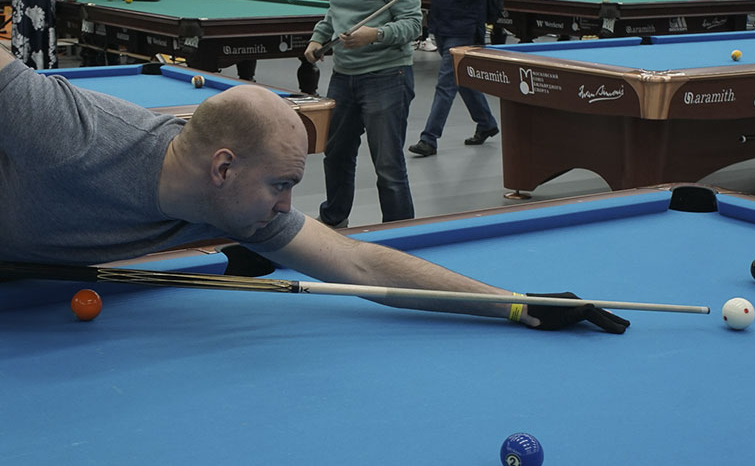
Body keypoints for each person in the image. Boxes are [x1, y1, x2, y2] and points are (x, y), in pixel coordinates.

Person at [0, 43, 630, 334]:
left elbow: (359, 264)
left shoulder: (239, 209)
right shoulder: (72, 130)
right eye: (280, 185)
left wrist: (513, 304)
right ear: (223, 168)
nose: (286, 207)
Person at [303, 0, 421, 228]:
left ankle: (399, 232)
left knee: (388, 165)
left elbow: (414, 24)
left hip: (387, 75)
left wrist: (376, 35)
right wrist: (318, 38)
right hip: (343, 76)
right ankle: (334, 218)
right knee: (336, 154)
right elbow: (335, 12)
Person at [407, 0, 499, 158]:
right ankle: (486, 123)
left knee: (446, 83)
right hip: (441, 25)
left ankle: (429, 139)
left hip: (465, 27)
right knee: (461, 78)